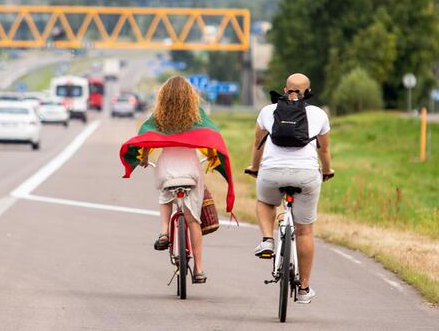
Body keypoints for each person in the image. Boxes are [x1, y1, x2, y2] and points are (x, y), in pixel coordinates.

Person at [119, 76, 235, 284]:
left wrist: (144, 157)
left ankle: (164, 232)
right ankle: (199, 270)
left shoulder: (159, 116)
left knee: (165, 197)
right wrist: (211, 156)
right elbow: (209, 136)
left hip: (167, 169)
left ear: (163, 96)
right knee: (193, 221)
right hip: (191, 169)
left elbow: (147, 136)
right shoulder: (197, 116)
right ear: (190, 96)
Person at [246, 73, 333, 304]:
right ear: (308, 92)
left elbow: (258, 144)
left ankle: (267, 239)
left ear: (285, 90)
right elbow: (324, 151)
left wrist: (255, 168)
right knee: (305, 231)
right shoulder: (319, 115)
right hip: (306, 175)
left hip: (272, 173)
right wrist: (326, 171)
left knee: (265, 202)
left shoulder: (267, 111)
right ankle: (304, 289)